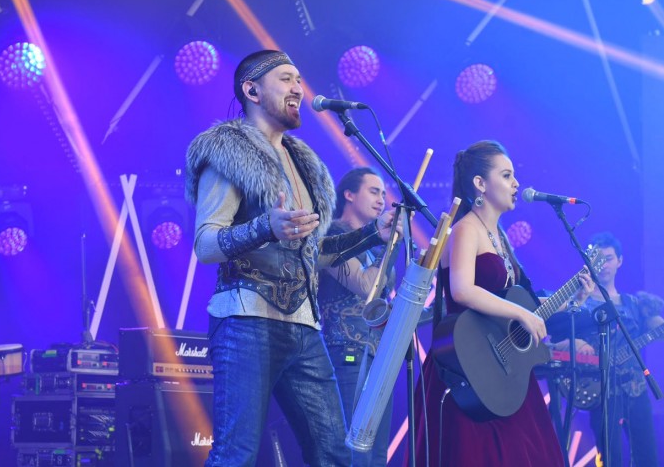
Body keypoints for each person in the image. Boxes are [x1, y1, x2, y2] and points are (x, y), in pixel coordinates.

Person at [185, 49, 397, 467]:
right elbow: (205, 245)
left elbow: (313, 255)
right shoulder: (227, 151)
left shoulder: (304, 164)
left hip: (304, 327)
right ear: (252, 91)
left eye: (299, 79)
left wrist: (374, 234)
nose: (298, 88)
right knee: (236, 454)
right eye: (285, 78)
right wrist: (266, 226)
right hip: (246, 320)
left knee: (333, 453)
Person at [409, 140, 581, 466]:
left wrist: (572, 296)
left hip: (503, 369)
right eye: (506, 175)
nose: (516, 184)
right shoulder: (464, 229)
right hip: (467, 364)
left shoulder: (498, 237)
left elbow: (526, 306)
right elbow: (462, 290)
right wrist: (522, 313)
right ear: (480, 183)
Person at [550, 232, 663, 467]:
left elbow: (655, 325)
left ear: (620, 261)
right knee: (611, 458)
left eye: (609, 258)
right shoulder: (578, 302)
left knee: (648, 458)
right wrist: (575, 344)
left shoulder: (634, 303)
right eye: (597, 259)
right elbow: (552, 341)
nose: (603, 264)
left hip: (635, 388)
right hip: (599, 388)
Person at [318, 167, 395, 467]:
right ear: (349, 194)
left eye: (383, 194)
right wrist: (390, 246)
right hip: (346, 352)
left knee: (376, 453)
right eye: (373, 191)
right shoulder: (333, 235)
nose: (381, 200)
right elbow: (366, 286)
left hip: (379, 355)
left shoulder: (377, 243)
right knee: (355, 451)